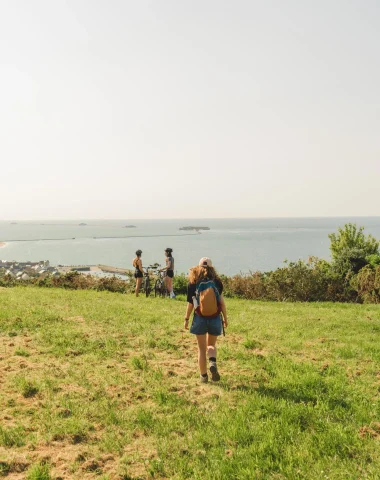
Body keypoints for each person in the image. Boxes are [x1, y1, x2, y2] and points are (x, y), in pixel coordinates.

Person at [184, 257, 228, 383]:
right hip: (214, 318)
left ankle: (203, 376)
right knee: (211, 345)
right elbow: (222, 303)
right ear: (211, 268)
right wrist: (225, 318)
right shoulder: (217, 282)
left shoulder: (193, 282)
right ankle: (212, 361)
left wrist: (186, 318)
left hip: (199, 319)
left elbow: (191, 304)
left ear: (198, 267)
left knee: (201, 349)